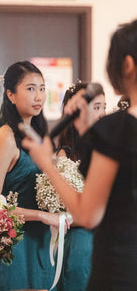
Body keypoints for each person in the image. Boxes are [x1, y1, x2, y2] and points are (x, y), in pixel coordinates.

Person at [23, 19, 137, 289]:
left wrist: (45, 162)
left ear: (127, 64)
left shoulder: (119, 129)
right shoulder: (113, 131)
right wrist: (87, 131)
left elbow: (87, 215)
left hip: (123, 264)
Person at [0, 60, 69, 291]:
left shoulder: (38, 136)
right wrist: (41, 216)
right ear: (10, 95)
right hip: (16, 242)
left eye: (42, 88)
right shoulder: (6, 136)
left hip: (40, 240)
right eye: (30, 88)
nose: (39, 96)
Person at [55, 82, 105, 291]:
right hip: (81, 239)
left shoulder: (107, 151)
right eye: (96, 108)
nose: (103, 114)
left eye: (104, 107)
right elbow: (64, 209)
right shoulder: (65, 155)